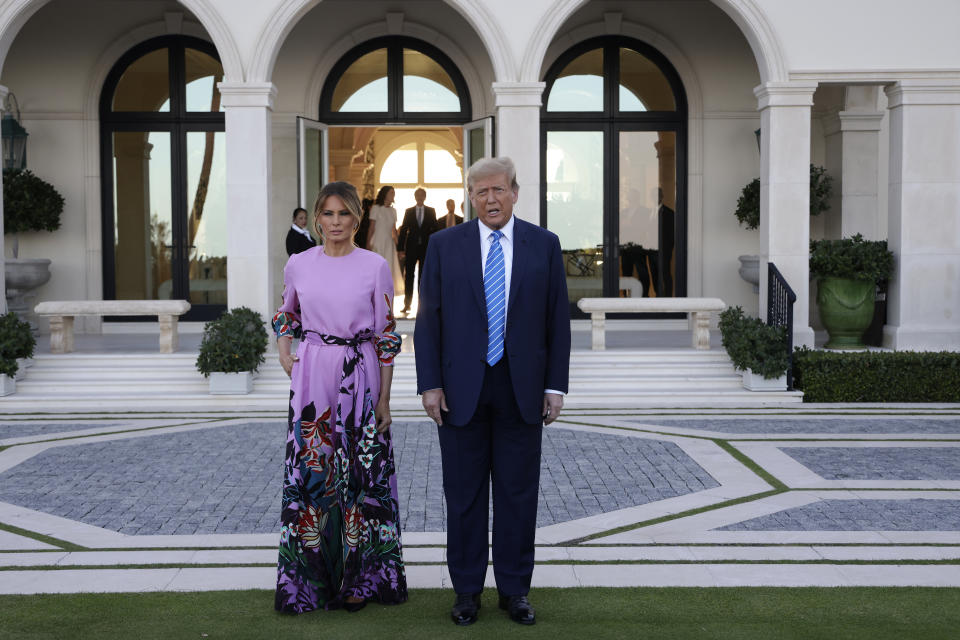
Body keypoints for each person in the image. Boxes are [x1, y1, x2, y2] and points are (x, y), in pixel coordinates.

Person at [414, 157, 571, 627]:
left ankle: (515, 590)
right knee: (462, 496)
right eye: (480, 192)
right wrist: (430, 385)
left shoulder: (544, 245)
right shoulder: (444, 245)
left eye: (498, 190)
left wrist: (554, 386)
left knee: (517, 495)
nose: (490, 199)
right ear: (470, 197)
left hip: (521, 389)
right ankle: (465, 592)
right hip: (461, 390)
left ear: (515, 192)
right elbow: (428, 321)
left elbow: (556, 321)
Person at [272, 181, 407, 614]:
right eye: (327, 214)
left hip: (359, 373)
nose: (335, 223)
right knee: (313, 473)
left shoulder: (374, 266)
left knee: (361, 478)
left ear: (356, 219)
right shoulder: (298, 263)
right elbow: (285, 313)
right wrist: (284, 352)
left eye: (344, 214)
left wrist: (384, 400)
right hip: (312, 377)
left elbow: (387, 336)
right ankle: (310, 582)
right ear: (316, 218)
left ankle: (359, 582)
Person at [397, 187, 437, 314]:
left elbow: (435, 230)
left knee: (423, 277)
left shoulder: (431, 211)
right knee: (409, 276)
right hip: (411, 248)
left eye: (422, 195)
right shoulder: (409, 211)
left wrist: (434, 249)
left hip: (425, 248)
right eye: (417, 195)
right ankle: (407, 305)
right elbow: (403, 230)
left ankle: (422, 305)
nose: (420, 197)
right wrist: (400, 249)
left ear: (424, 197)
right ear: (415, 197)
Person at [366, 185, 404, 302]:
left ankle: (389, 307)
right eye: (391, 192)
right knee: (376, 272)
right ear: (385, 194)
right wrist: (368, 245)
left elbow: (394, 230)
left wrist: (399, 248)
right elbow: (371, 228)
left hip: (389, 244)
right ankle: (374, 301)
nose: (393, 195)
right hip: (377, 242)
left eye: (394, 193)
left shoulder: (393, 211)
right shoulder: (376, 208)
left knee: (389, 272)